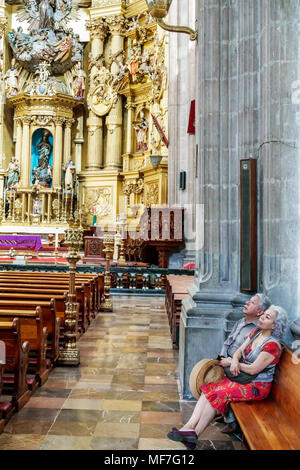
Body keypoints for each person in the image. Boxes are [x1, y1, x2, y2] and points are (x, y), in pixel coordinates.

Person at [167, 305, 288, 450]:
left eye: (267, 317)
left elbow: (253, 369)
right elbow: (238, 352)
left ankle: (194, 433)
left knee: (218, 393)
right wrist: (235, 360)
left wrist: (232, 363)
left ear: (275, 325)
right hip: (243, 378)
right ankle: (188, 428)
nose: (262, 317)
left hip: (255, 386)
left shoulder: (272, 346)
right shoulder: (256, 332)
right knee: (209, 389)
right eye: (264, 314)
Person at [217, 293, 271, 433]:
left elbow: (247, 359)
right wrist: (221, 357)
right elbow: (229, 341)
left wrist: (231, 362)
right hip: (229, 358)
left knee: (217, 383)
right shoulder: (241, 321)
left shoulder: (256, 331)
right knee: (207, 374)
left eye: (252, 302)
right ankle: (223, 411)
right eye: (249, 300)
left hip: (240, 367)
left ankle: (230, 420)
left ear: (260, 312)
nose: (246, 303)